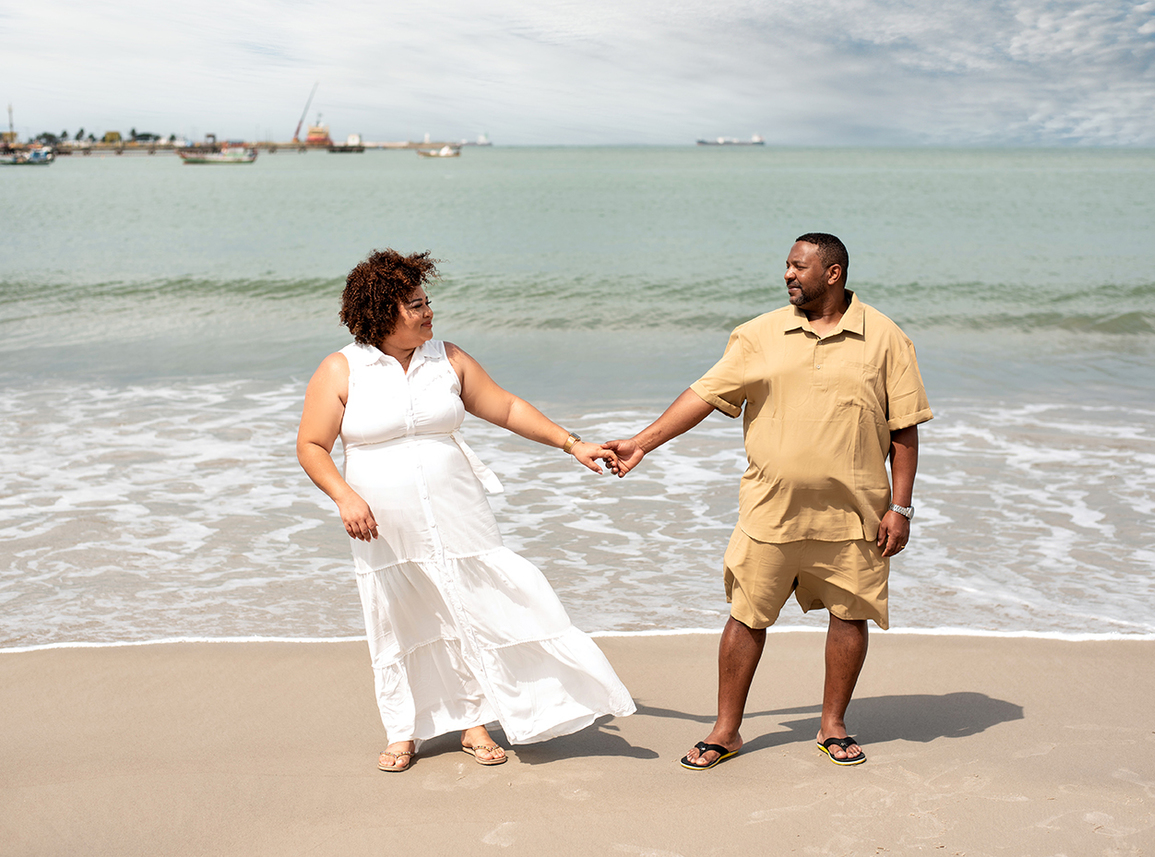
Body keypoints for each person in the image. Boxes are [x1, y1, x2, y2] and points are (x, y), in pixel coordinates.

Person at [297, 248, 636, 773]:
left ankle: (474, 723)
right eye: (415, 305)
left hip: (458, 510)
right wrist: (345, 496)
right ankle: (403, 730)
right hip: (382, 524)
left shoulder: (447, 358)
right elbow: (312, 446)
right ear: (382, 311)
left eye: (426, 301)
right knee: (399, 619)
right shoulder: (343, 368)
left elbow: (505, 406)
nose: (429, 312)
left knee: (469, 607)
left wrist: (573, 444)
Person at [604, 233, 931, 769]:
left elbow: (905, 430)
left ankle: (833, 725)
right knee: (746, 616)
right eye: (785, 266)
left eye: (798, 267)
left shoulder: (886, 338)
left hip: (856, 513)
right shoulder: (758, 335)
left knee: (850, 618)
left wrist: (901, 507)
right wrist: (640, 443)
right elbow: (703, 396)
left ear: (833, 273)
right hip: (770, 509)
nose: (787, 275)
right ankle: (725, 730)